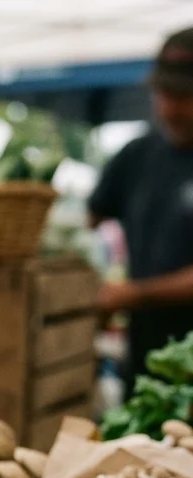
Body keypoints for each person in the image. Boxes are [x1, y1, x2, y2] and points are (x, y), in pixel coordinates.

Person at [89, 27, 193, 397]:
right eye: (163, 94)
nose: (169, 109)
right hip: (145, 364)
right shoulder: (135, 157)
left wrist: (133, 294)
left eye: (183, 96)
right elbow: (89, 224)